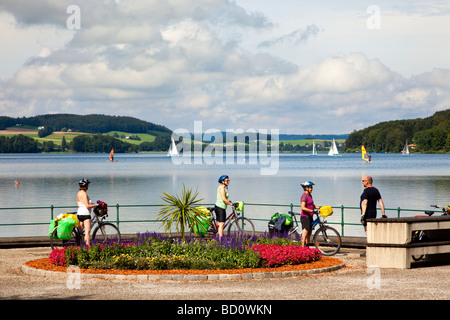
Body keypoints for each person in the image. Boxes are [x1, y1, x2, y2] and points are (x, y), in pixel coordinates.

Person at [76, 179, 98, 247]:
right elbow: (87, 206)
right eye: (87, 185)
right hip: (86, 215)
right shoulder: (84, 194)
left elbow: (78, 205)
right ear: (85, 186)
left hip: (79, 214)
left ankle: (79, 245)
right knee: (87, 233)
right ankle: (88, 249)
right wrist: (97, 205)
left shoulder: (78, 193)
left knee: (80, 233)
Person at [300, 181, 320, 247]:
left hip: (310, 216)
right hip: (305, 217)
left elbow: (312, 205)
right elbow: (303, 207)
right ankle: (302, 248)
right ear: (306, 188)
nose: (312, 189)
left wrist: (320, 208)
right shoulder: (304, 196)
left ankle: (307, 247)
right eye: (310, 187)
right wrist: (312, 211)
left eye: (312, 187)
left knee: (309, 234)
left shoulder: (309, 195)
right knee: (305, 234)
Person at [214, 175, 233, 239]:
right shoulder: (222, 188)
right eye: (227, 180)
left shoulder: (222, 187)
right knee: (221, 225)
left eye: (228, 180)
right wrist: (231, 204)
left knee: (219, 224)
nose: (228, 182)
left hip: (219, 207)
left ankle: (218, 236)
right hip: (220, 208)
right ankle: (220, 240)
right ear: (222, 181)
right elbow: (224, 199)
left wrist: (228, 201)